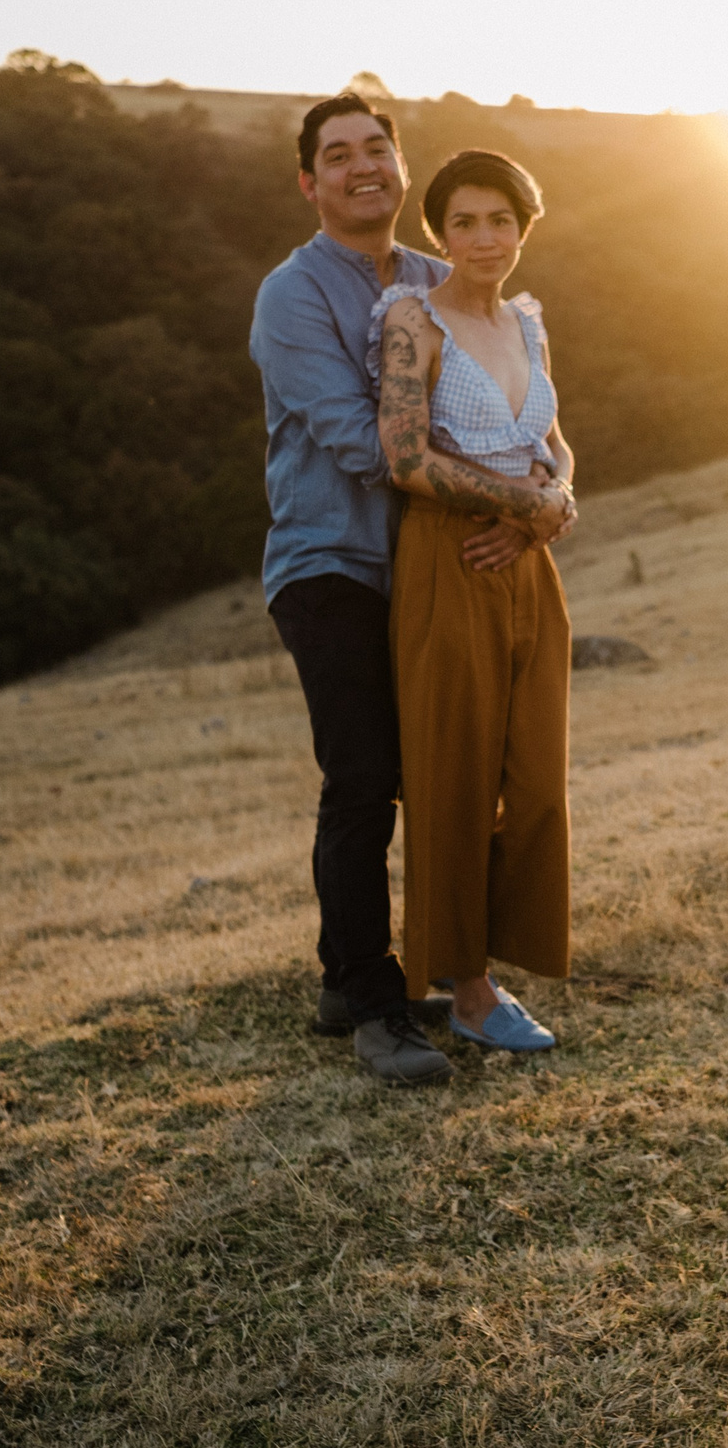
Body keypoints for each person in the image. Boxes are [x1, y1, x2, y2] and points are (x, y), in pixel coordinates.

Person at [251, 94, 565, 1086]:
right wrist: (517, 504)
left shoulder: (445, 279)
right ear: (310, 181)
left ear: (400, 164)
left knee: (454, 768)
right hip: (335, 561)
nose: (362, 168)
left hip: (440, 565)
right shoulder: (292, 296)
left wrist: (549, 499)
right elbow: (372, 446)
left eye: (377, 148)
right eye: (336, 156)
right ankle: (368, 996)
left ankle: (442, 969)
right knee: (366, 772)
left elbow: (523, 424)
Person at [370, 149, 577, 1053]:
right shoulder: (413, 322)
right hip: (448, 560)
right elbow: (405, 457)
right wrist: (523, 504)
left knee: (533, 775)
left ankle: (508, 950)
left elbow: (558, 449)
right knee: (454, 776)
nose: (484, 238)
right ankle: (468, 990)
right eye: (464, 222)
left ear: (524, 227)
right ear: (439, 232)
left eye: (501, 220)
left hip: (527, 564)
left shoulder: (529, 324)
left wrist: (548, 511)